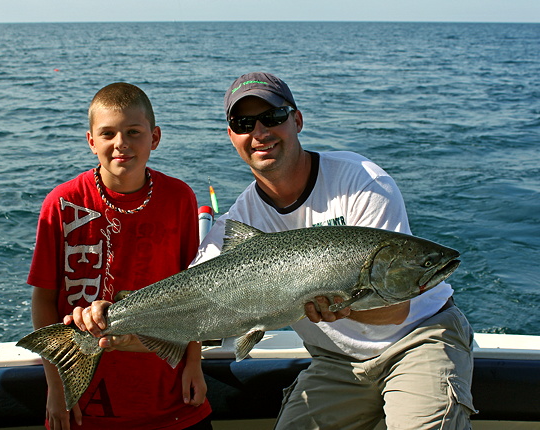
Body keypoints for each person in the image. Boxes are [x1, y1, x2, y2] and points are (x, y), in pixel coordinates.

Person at [192, 72, 477, 429]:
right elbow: (189, 298)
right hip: (337, 360)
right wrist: (121, 321)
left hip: (418, 339)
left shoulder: (360, 180)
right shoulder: (239, 219)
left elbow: (395, 311)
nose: (260, 132)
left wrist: (340, 308)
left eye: (274, 117)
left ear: (297, 120)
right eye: (244, 123)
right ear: (231, 135)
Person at [29, 82, 212, 430]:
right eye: (108, 133)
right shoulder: (61, 203)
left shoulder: (179, 197)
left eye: (133, 132)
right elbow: (44, 299)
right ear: (91, 141)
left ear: (154, 138)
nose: (121, 143)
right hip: (85, 400)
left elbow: (196, 291)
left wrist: (194, 362)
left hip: (172, 395)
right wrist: (56, 387)